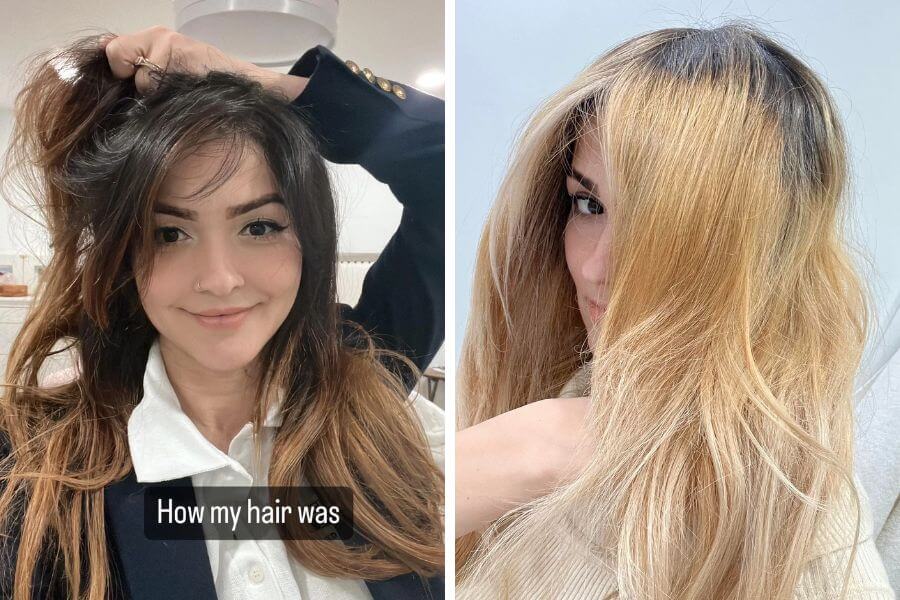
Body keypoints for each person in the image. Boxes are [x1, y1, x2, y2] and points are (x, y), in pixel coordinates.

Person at [0, 27, 444, 600]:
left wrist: (262, 85)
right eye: (169, 233)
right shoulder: (38, 459)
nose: (220, 279)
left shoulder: (365, 378)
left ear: (307, 236)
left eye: (259, 226)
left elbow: (444, 160)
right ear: (123, 253)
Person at [456, 23, 895, 599]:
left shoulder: (789, 509)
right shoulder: (563, 395)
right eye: (588, 203)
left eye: (659, 226)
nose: (593, 267)